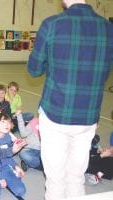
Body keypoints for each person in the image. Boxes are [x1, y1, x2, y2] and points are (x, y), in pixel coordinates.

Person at [27, 0, 113, 199]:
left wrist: (54, 67)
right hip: (88, 116)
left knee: (55, 179)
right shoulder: (108, 28)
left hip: (55, 113)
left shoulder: (52, 24)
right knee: (76, 176)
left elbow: (34, 69)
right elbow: (104, 72)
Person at [0, 113, 26, 199]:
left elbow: (7, 156)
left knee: (20, 191)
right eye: (3, 122)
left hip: (4, 166)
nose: (7, 124)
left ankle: (8, 178)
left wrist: (15, 166)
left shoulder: (7, 137)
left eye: (8, 122)